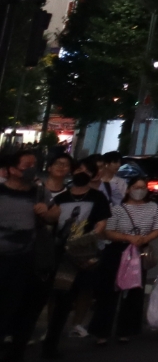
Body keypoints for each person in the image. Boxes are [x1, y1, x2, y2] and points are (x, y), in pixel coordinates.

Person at [40, 162, 109, 356]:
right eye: (78, 170)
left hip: (85, 255)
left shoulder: (98, 197)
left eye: (86, 171)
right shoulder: (61, 198)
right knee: (60, 297)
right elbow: (50, 221)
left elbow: (101, 225)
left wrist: (86, 242)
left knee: (82, 291)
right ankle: (51, 341)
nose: (82, 173)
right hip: (61, 255)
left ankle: (73, 327)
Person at [2, 148, 58, 362]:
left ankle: (16, 352)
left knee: (25, 311)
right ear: (12, 169)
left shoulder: (39, 193)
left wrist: (47, 212)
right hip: (3, 261)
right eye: (27, 166)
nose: (32, 170)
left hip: (29, 262)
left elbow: (55, 214)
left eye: (34, 165)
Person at [90, 180, 158, 343]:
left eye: (143, 187)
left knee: (134, 291)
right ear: (128, 189)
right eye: (136, 187)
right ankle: (101, 332)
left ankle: (126, 330)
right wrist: (128, 238)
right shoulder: (117, 209)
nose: (139, 190)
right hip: (117, 250)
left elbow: (157, 228)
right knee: (109, 291)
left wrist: (144, 239)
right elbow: (108, 232)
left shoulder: (153, 207)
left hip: (139, 250)